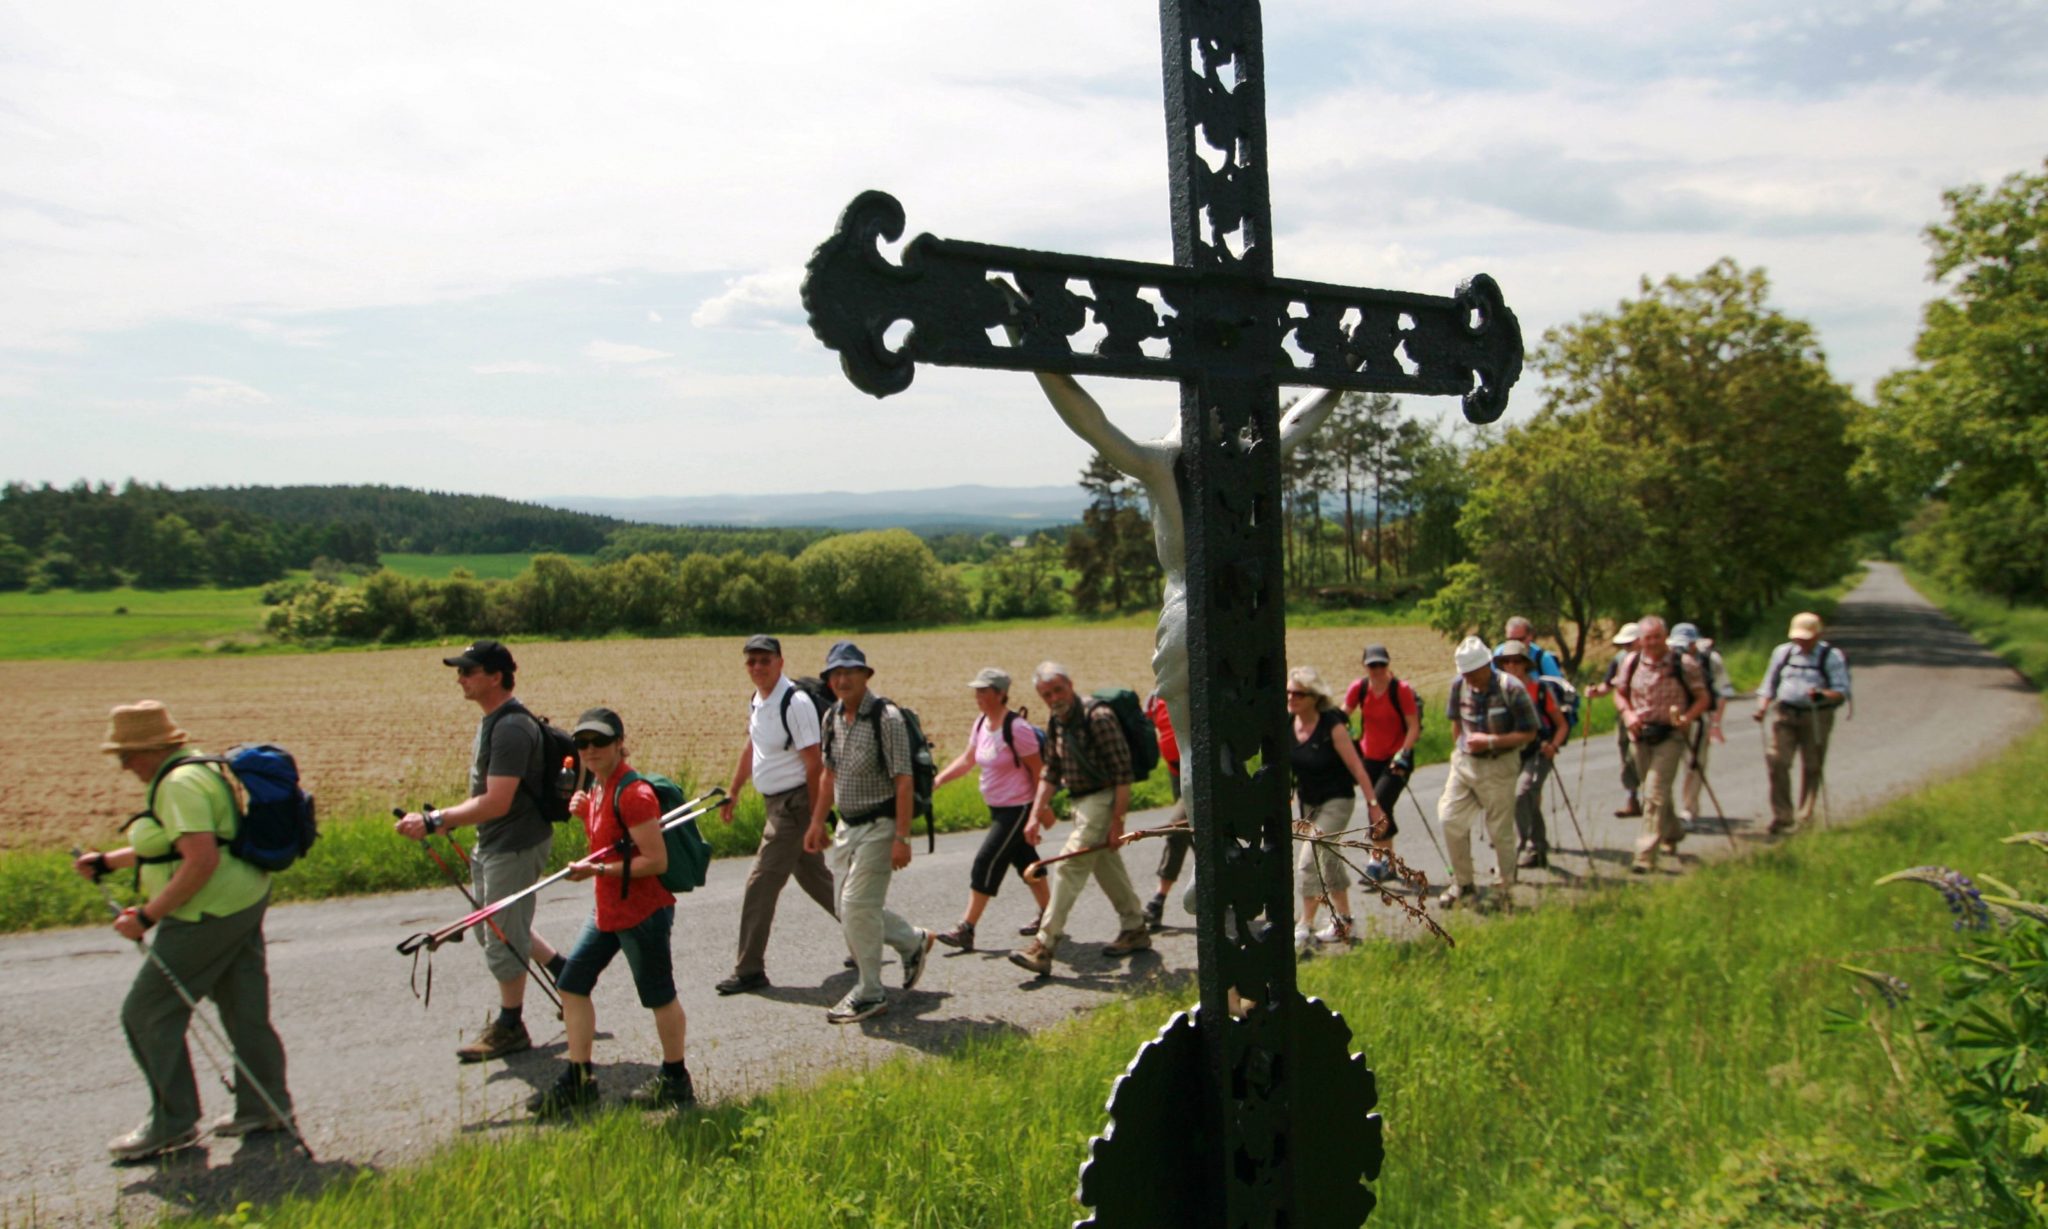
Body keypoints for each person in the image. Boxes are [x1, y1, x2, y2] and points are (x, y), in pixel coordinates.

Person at [74, 701, 295, 1161]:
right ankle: (266, 1107)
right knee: (243, 1007)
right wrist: (108, 862)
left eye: (127, 754)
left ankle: (172, 1124)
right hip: (242, 897)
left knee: (148, 1012)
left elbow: (200, 860)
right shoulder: (195, 768)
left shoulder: (177, 785)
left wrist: (147, 917)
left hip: (208, 912)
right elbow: (182, 843)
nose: (124, 765)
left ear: (152, 749)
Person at [395, 638, 564, 1062]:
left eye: (468, 671)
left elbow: (497, 801)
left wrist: (435, 821)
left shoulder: (509, 728)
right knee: (500, 923)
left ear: (495, 676)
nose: (460, 678)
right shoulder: (493, 720)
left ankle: (511, 1026)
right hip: (494, 841)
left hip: (513, 844)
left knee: (500, 935)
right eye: (460, 671)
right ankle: (565, 971)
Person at [526, 708, 694, 1118]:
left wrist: (596, 869)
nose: (590, 750)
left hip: (643, 911)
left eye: (600, 742)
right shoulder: (600, 787)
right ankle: (580, 1079)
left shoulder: (634, 794)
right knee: (572, 983)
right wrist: (588, 814)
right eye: (582, 743)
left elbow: (655, 860)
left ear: (620, 743)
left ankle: (676, 1079)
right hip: (608, 909)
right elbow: (613, 840)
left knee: (659, 995)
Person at [803, 641, 935, 1024]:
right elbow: (828, 775)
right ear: (829, 680)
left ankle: (870, 992)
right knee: (848, 908)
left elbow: (904, 781)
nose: (842, 679)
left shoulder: (886, 718)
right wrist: (816, 822)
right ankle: (912, 941)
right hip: (847, 825)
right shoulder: (831, 718)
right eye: (835, 674)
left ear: (866, 676)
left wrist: (903, 838)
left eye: (850, 672)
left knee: (858, 906)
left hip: (882, 825)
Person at [714, 634, 836, 997]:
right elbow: (753, 746)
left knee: (760, 883)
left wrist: (817, 818)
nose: (757, 667)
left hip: (794, 808)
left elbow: (814, 762)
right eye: (751, 661)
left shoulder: (794, 702)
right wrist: (733, 791)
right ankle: (892, 939)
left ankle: (749, 969)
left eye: (764, 660)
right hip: (778, 805)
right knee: (820, 884)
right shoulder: (759, 701)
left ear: (780, 663)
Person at [1009, 662, 1150, 975]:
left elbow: (1123, 774)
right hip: (1080, 804)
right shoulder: (1057, 720)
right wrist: (1034, 817)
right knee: (1104, 865)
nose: (1054, 697)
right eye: (1047, 694)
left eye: (1058, 689)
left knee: (1069, 865)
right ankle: (1135, 927)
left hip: (1103, 801)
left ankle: (1044, 946)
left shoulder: (1098, 717)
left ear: (1070, 684)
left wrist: (1118, 824)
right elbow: (1050, 771)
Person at [931, 667, 1051, 952]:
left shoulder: (1017, 729)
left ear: (1000, 694)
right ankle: (1050, 915)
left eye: (984, 691)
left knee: (986, 861)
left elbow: (1039, 771)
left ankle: (966, 928)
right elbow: (968, 759)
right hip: (997, 808)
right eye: (977, 690)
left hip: (1017, 807)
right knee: (1026, 863)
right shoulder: (982, 723)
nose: (978, 696)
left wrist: (1039, 812)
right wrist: (938, 780)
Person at [1286, 667, 1392, 951]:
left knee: (1311, 856)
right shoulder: (1287, 724)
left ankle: (1304, 926)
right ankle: (1344, 920)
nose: (1291, 697)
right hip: (1309, 804)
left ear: (1314, 697)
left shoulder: (1331, 724)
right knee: (1328, 858)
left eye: (1298, 693)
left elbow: (1357, 767)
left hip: (1337, 800)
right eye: (1289, 692)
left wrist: (1374, 805)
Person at [1437, 635, 1540, 910]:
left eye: (1472, 673)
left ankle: (1504, 888)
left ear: (1487, 666)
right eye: (1464, 674)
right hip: (1465, 763)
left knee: (1499, 830)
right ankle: (1463, 884)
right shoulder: (1459, 685)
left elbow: (1530, 732)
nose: (1468, 679)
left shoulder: (1511, 688)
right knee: (1449, 819)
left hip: (1500, 764)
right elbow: (1456, 722)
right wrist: (1461, 749)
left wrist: (1490, 741)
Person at [1612, 616, 1710, 873]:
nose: (1652, 642)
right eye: (1647, 638)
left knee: (1653, 793)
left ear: (1665, 637)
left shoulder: (1683, 664)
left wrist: (1687, 718)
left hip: (1671, 736)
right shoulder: (1631, 662)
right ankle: (1674, 832)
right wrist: (1628, 715)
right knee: (1654, 790)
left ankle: (1644, 855)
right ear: (1640, 640)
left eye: (1657, 637)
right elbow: (1619, 693)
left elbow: (1702, 697)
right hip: (1640, 735)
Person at [1755, 611, 1852, 835]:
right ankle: (1782, 816)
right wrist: (1761, 707)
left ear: (1818, 635)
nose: (1802, 641)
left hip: (1817, 716)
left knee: (1812, 765)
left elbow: (1841, 691)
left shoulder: (1831, 656)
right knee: (1777, 761)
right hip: (1785, 713)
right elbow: (1769, 684)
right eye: (1798, 637)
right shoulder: (1783, 652)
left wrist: (1822, 695)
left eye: (1807, 637)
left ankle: (1805, 814)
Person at [1340, 643, 1419, 873]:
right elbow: (1343, 714)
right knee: (1376, 806)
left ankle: (1378, 858)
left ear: (1388, 664)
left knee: (1381, 803)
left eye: (1381, 664)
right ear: (1365, 666)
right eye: (1372, 665)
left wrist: (1403, 753)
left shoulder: (1400, 690)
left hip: (1396, 758)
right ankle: (1389, 862)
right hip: (1369, 757)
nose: (1377, 669)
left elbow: (1413, 726)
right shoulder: (1360, 688)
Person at [1494, 642, 1568, 870]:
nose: (1511, 665)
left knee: (1522, 794)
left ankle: (1516, 849)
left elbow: (1561, 725)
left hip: (1539, 751)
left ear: (1526, 665)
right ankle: (1539, 848)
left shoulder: (1540, 690)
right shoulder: (1499, 693)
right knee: (1527, 801)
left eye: (1517, 661)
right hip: (1512, 753)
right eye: (1507, 661)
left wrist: (1554, 746)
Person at [1670, 622, 1734, 827]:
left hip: (1699, 719)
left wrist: (1716, 725)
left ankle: (1689, 809)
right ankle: (1667, 812)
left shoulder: (1710, 660)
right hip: (1670, 720)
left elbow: (1722, 692)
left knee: (1694, 765)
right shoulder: (1666, 660)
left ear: (1695, 644)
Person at [1584, 622, 1642, 817]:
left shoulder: (1653, 659)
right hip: (1625, 715)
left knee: (1646, 757)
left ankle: (1654, 803)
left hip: (1648, 714)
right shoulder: (1619, 660)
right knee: (1626, 756)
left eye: (1630, 644)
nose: (1626, 648)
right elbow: (1608, 686)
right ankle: (1632, 797)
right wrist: (1595, 692)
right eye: (1624, 645)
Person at [1140, 690, 1186, 932]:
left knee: (1176, 829)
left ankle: (1158, 901)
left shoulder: (1194, 687)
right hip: (1176, 773)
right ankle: (1228, 890)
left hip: (1199, 774)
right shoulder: (1156, 696)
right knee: (1195, 834)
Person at [1497, 616, 1565, 680]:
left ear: (1530, 637)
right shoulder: (1499, 654)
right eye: (1510, 640)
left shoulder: (1543, 658)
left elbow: (1557, 688)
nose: (1514, 644)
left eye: (1519, 640)